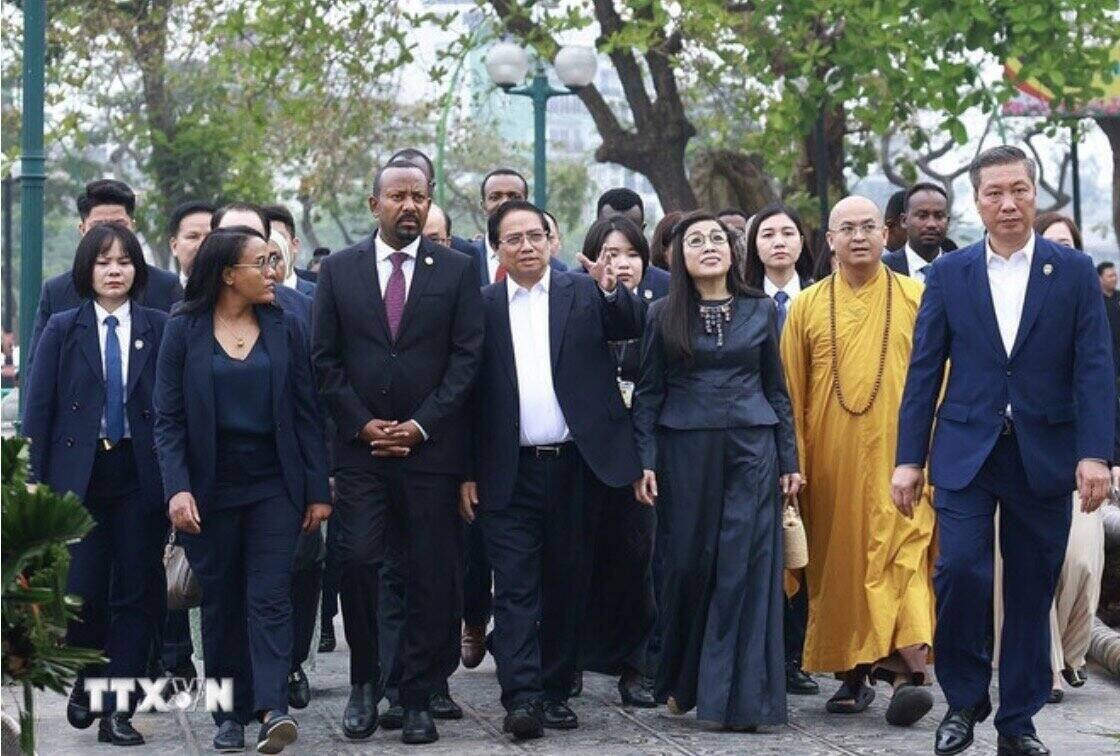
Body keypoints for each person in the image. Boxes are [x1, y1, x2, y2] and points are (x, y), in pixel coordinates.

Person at [892, 145, 1115, 756]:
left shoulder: (1073, 271)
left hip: (1045, 453)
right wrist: (909, 458)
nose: (1008, 203)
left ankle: (1018, 721)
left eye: (1018, 189)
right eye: (994, 192)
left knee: (1031, 587)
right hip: (967, 448)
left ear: (1034, 193)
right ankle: (964, 702)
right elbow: (923, 369)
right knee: (960, 572)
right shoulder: (951, 273)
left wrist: (1095, 453)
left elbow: (1095, 368)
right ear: (977, 201)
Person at [312, 160, 484, 744]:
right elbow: (324, 361)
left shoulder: (457, 269)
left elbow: (467, 359)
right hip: (361, 455)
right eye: (397, 196)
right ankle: (365, 681)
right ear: (374, 203)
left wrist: (421, 425)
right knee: (360, 561)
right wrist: (362, 426)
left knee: (430, 574)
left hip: (430, 454)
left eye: (418, 196)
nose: (408, 205)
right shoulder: (339, 270)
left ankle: (415, 695)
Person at [459, 199, 642, 740]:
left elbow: (630, 326)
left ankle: (557, 690)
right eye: (513, 239)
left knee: (568, 581)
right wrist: (466, 471)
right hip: (506, 470)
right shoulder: (481, 305)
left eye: (535, 236)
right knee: (514, 586)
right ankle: (521, 696)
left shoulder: (582, 291)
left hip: (576, 467)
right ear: (497, 249)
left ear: (551, 240)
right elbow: (467, 395)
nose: (527, 246)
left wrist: (611, 289)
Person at [154, 226, 331, 754]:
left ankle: (273, 708)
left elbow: (306, 412)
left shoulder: (286, 325)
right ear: (229, 274)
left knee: (270, 595)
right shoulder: (182, 329)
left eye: (275, 259)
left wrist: (317, 489)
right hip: (209, 492)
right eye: (262, 262)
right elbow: (168, 420)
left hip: (275, 486)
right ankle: (228, 714)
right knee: (222, 601)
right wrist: (178, 489)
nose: (274, 271)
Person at [631, 210, 799, 731]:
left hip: (753, 448)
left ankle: (740, 700)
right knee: (687, 567)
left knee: (744, 568)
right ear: (677, 256)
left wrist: (789, 459)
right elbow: (648, 393)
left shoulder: (760, 308)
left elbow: (777, 389)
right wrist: (645, 460)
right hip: (685, 452)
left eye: (718, 239)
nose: (709, 247)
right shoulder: (662, 313)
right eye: (696, 241)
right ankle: (684, 682)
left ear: (732, 250)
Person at [782, 196, 935, 727]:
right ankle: (853, 674)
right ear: (829, 241)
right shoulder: (806, 306)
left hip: (904, 459)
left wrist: (934, 453)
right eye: (846, 228)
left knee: (904, 556)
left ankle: (911, 671)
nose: (858, 236)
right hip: (830, 463)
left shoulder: (917, 297)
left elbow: (941, 379)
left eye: (868, 226)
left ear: (887, 234)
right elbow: (790, 392)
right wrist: (793, 463)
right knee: (843, 567)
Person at [23, 225, 168, 747]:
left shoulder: (159, 326)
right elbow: (38, 409)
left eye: (124, 262)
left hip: (139, 476)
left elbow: (172, 408)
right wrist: (34, 484)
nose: (114, 271)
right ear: (87, 269)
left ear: (137, 270)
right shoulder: (64, 328)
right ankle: (87, 679)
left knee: (136, 592)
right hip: (78, 478)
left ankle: (117, 711)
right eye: (104, 262)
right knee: (82, 592)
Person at [576, 215, 667, 708]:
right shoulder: (573, 302)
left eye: (632, 254)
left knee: (639, 562)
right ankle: (569, 660)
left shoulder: (660, 307)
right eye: (610, 254)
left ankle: (639, 665)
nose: (623, 264)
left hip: (641, 456)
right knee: (576, 558)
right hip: (584, 455)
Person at [741, 202, 817, 696]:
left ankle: (803, 652)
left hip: (820, 434)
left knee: (810, 546)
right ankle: (774, 655)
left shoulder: (823, 298)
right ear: (753, 247)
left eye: (787, 232)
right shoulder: (744, 303)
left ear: (802, 242)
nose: (778, 242)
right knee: (771, 545)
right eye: (767, 234)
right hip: (760, 437)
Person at [25, 179, 183, 374]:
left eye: (119, 225)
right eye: (98, 227)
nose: (109, 234)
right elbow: (38, 371)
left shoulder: (165, 286)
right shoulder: (57, 291)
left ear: (132, 227)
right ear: (82, 230)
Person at [882, 183, 951, 283]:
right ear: (904, 221)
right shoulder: (882, 269)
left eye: (939, 216)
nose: (931, 224)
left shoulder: (961, 269)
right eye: (922, 216)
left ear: (948, 222)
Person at [264, 204, 317, 293]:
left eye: (279, 237)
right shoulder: (246, 297)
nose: (273, 245)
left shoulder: (320, 294)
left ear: (295, 245)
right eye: (265, 238)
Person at [169, 200, 216, 287]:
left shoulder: (240, 292)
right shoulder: (161, 293)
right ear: (174, 247)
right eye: (193, 237)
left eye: (210, 236)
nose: (203, 244)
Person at [1099, 261, 1120, 384]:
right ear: (1100, 278)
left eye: (1115, 275)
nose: (1114, 279)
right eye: (1110, 276)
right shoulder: (1096, 301)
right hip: (1106, 351)